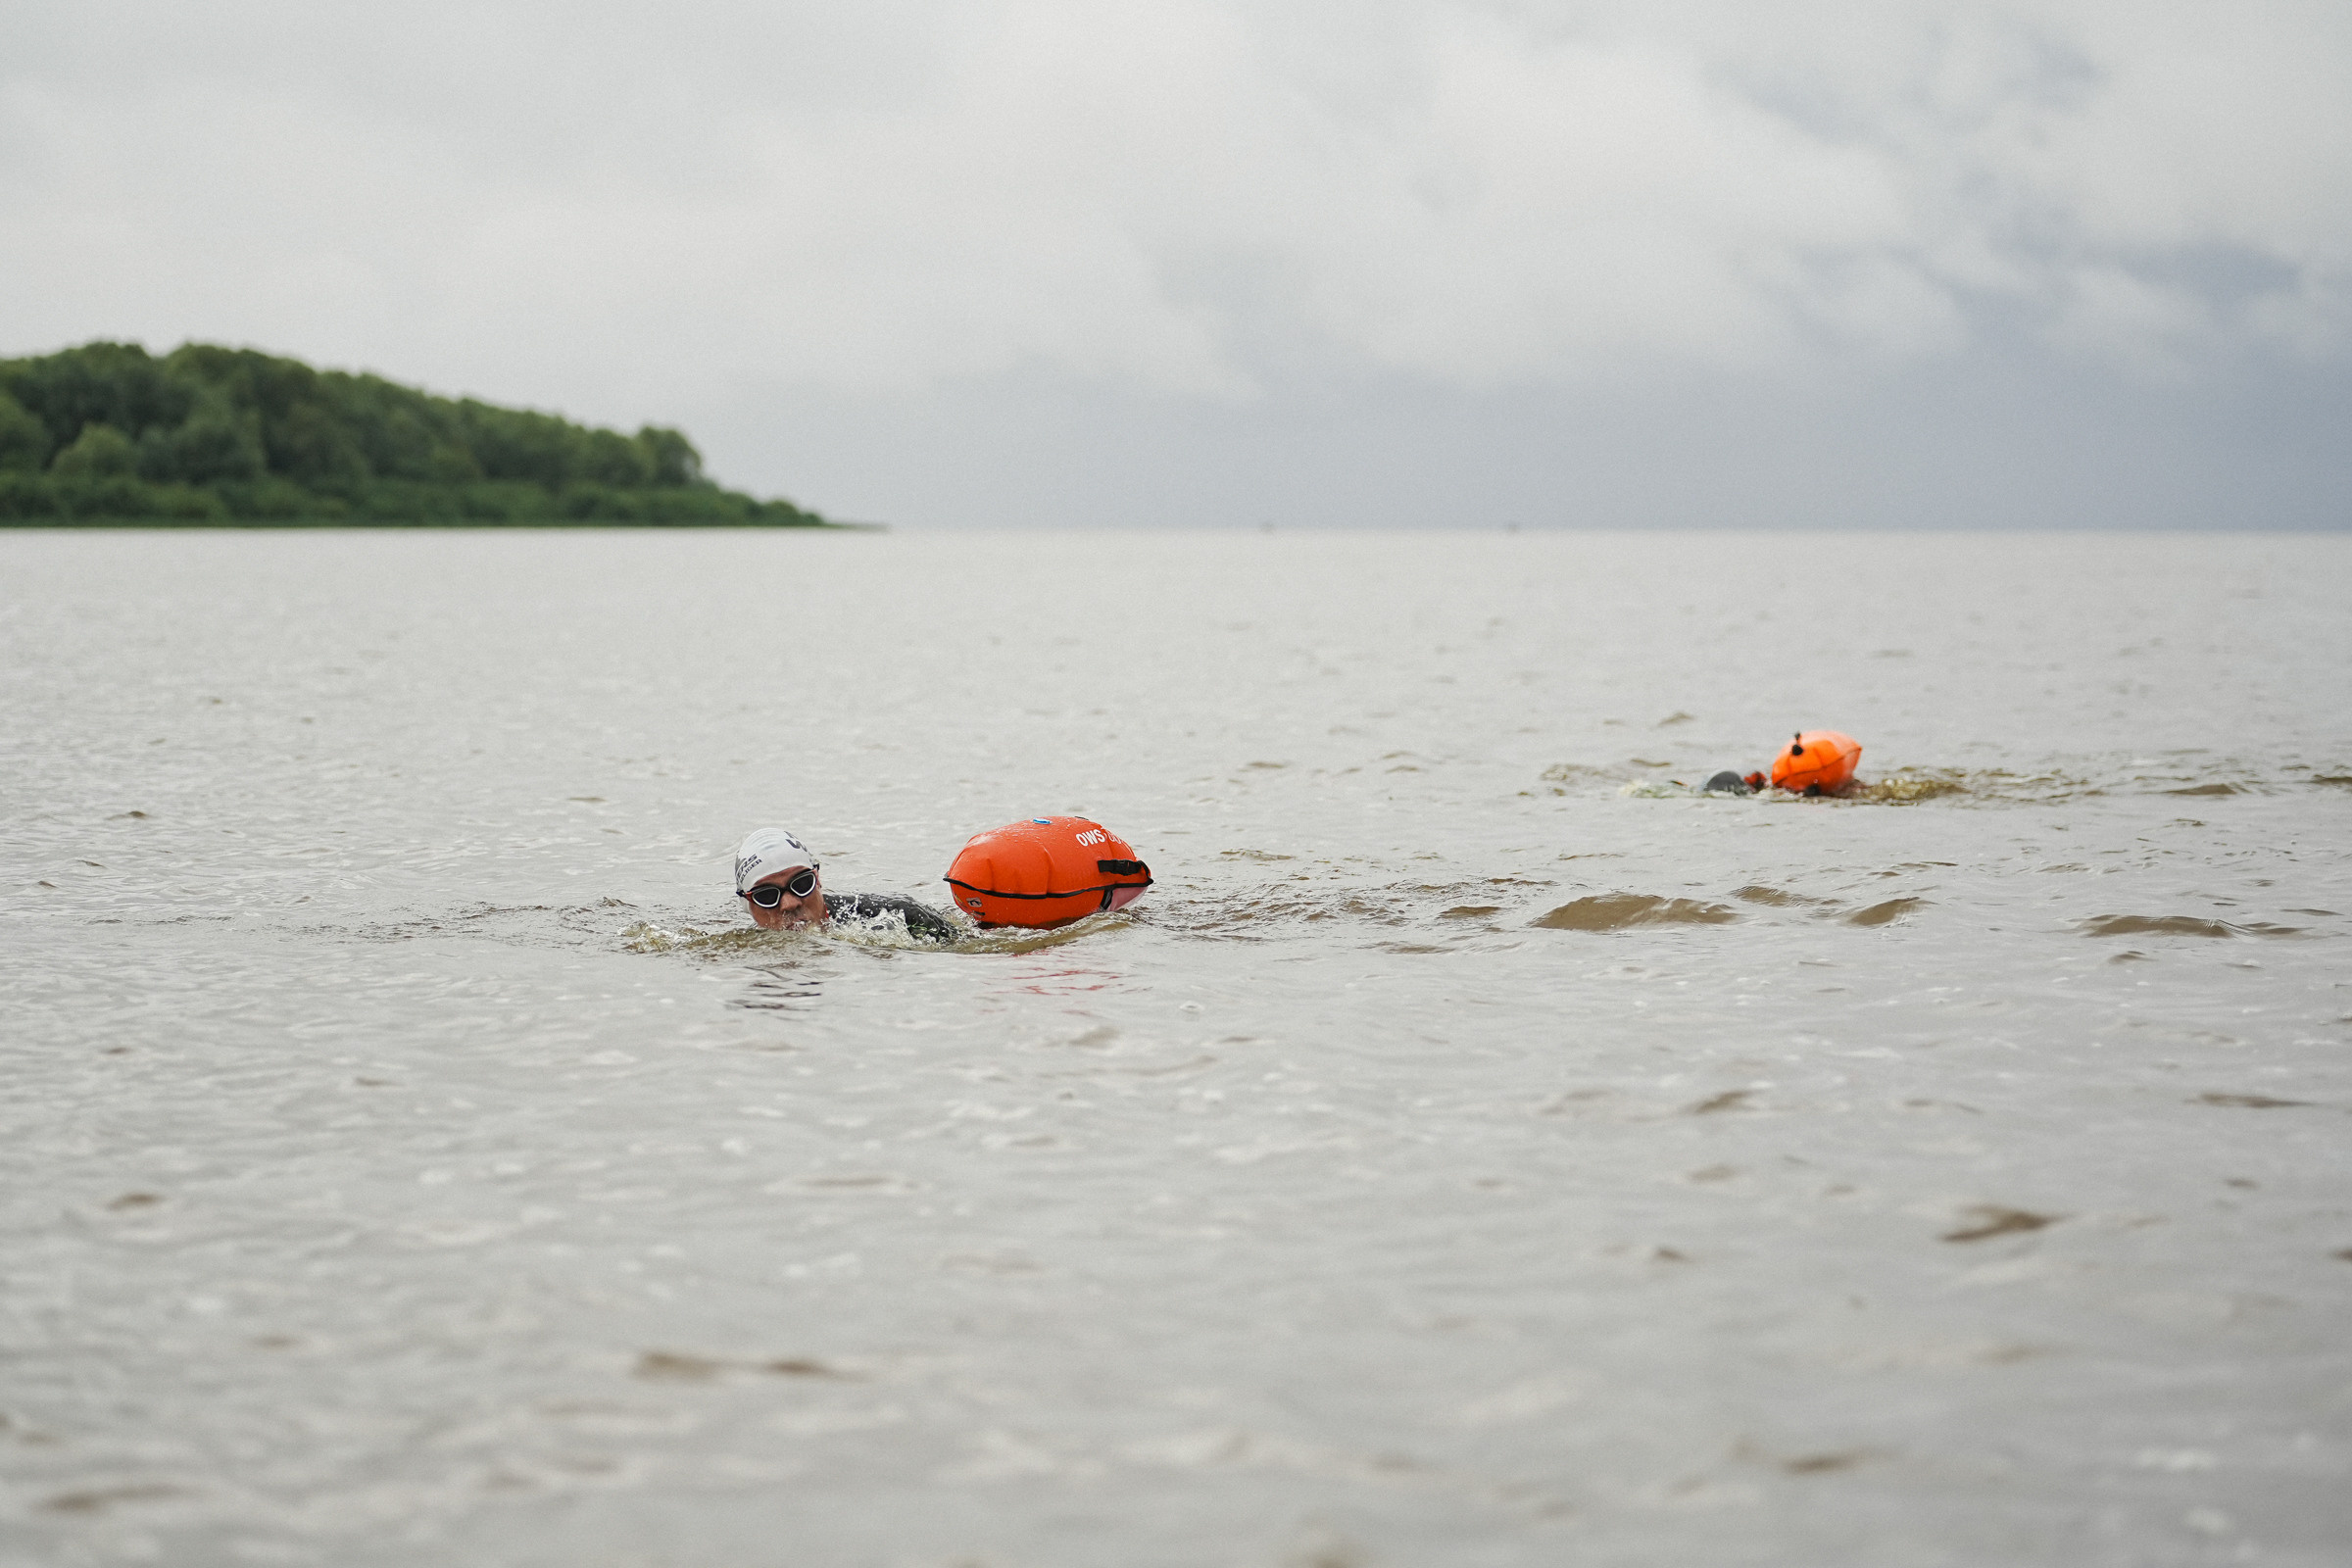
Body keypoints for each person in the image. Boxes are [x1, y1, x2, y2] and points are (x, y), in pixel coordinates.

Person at [733, 827, 963, 943]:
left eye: (802, 883)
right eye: (766, 896)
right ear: (747, 904)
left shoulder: (901, 918)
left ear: (818, 879)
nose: (789, 903)